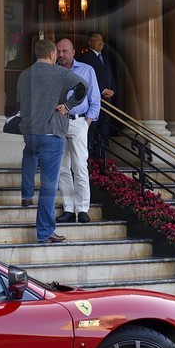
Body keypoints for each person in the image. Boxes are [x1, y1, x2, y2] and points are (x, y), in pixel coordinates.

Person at [17, 37, 87, 243]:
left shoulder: (24, 75)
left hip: (29, 131)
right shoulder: (60, 73)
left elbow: (20, 100)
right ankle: (45, 231)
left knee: (29, 154)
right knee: (49, 185)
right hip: (51, 131)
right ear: (51, 54)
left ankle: (26, 194)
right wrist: (68, 105)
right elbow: (84, 87)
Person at [54, 37, 101, 226]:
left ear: (73, 52)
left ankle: (82, 209)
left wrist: (87, 122)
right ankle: (68, 208)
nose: (61, 54)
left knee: (80, 165)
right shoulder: (52, 71)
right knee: (62, 168)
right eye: (58, 51)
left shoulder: (86, 70)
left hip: (78, 121)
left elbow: (95, 99)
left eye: (65, 51)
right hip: (57, 122)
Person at [76, 32, 116, 160]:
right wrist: (102, 90)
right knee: (92, 130)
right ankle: (91, 158)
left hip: (106, 102)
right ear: (90, 42)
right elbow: (86, 78)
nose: (101, 43)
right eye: (97, 40)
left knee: (104, 130)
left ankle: (100, 156)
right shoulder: (85, 58)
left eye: (102, 41)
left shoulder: (105, 59)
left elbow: (110, 76)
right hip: (93, 101)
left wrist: (112, 90)